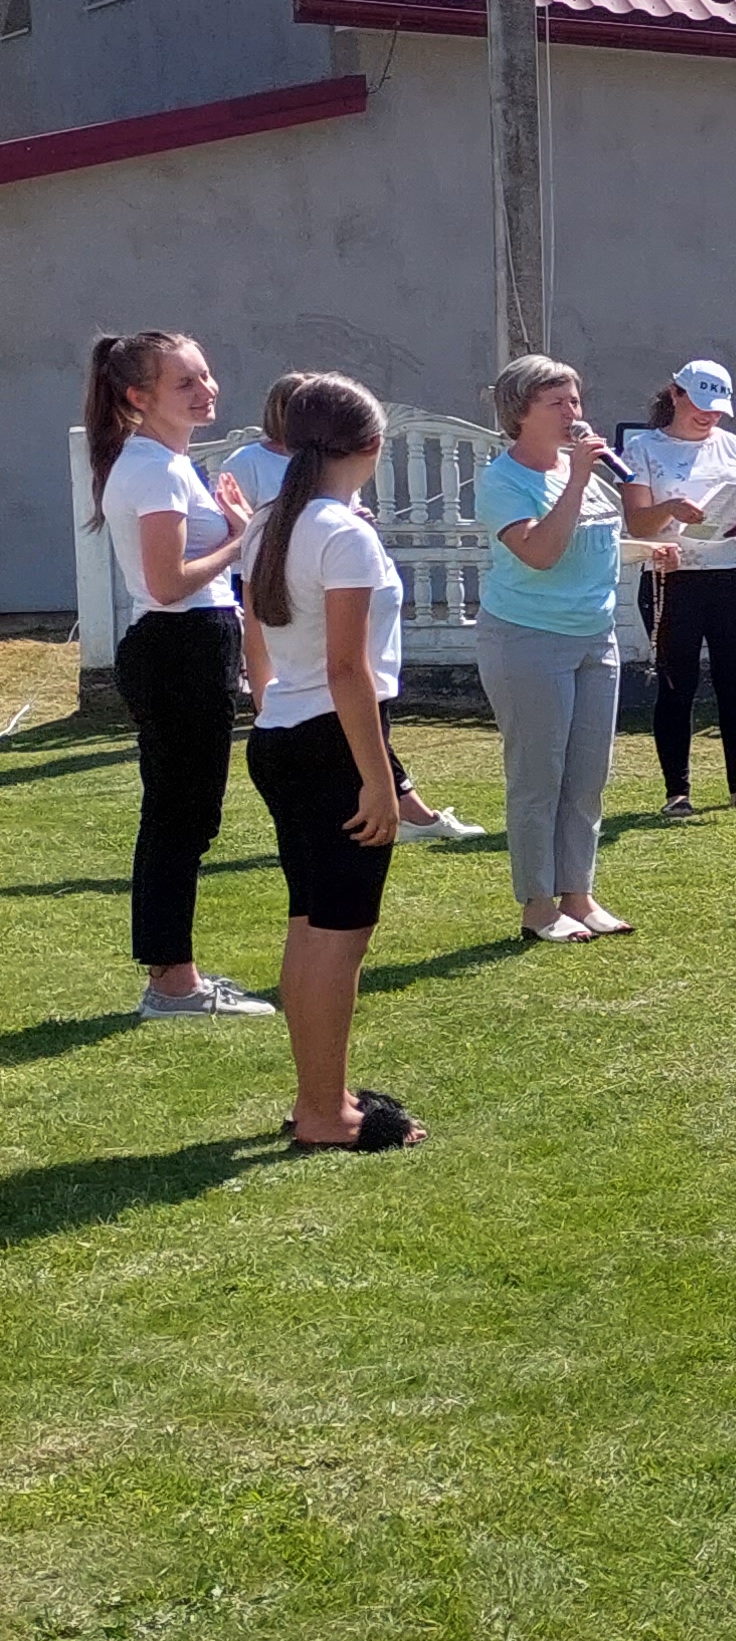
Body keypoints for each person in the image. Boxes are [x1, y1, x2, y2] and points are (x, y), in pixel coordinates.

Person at [230, 373, 424, 1149]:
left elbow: (260, 638)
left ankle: (323, 1092)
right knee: (339, 938)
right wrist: (379, 779)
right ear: (372, 446)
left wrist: (274, 704)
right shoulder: (342, 533)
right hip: (329, 742)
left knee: (310, 926)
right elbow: (349, 670)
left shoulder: (270, 522)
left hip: (283, 735)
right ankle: (323, 1112)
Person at [89, 332, 270, 1016]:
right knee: (180, 819)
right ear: (139, 397)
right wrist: (239, 539)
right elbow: (167, 584)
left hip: (191, 643)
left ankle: (174, 975)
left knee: (184, 817)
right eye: (185, 383)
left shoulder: (167, 463)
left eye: (206, 375)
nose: (206, 390)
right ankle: (172, 983)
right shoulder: (154, 469)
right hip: (179, 645)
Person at [480, 355, 672, 945]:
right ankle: (538, 908)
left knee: (588, 775)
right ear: (521, 412)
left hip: (595, 636)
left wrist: (646, 551)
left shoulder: (577, 469)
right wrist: (578, 482)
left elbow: (591, 541)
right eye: (557, 403)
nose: (573, 413)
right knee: (539, 777)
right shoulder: (503, 480)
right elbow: (540, 553)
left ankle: (578, 896)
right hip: (527, 638)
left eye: (575, 400)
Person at [621, 359, 736, 819]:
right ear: (676, 395)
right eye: (700, 405)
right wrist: (670, 508)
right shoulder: (642, 449)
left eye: (717, 409)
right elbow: (637, 522)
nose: (708, 416)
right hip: (671, 579)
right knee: (676, 685)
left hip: (734, 577)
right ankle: (677, 792)